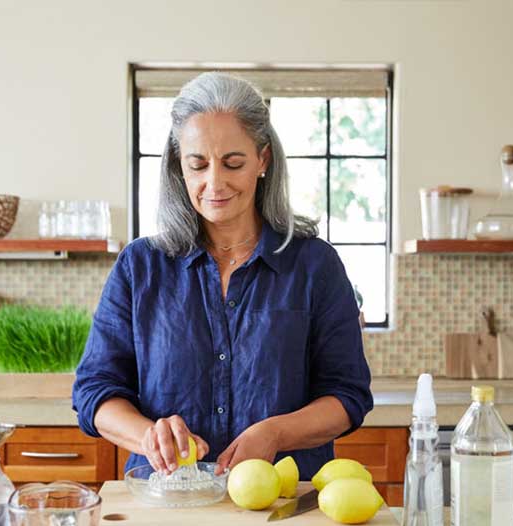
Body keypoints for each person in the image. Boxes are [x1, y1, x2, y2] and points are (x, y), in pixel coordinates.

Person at [72, 72, 372, 481]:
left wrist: (275, 432)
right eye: (198, 164)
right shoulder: (140, 266)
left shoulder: (314, 266)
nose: (214, 183)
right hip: (166, 505)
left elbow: (347, 394)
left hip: (283, 507)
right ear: (179, 165)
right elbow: (94, 391)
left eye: (233, 163)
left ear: (263, 160)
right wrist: (149, 436)